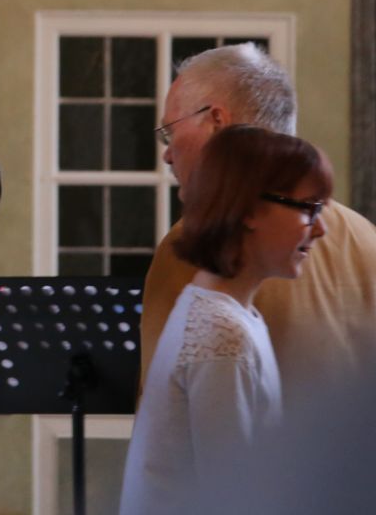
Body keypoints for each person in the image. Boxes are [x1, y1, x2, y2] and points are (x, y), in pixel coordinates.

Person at [143, 43, 376, 405]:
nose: (167, 152)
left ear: (217, 121)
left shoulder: (200, 243)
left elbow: (163, 405)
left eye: (170, 131)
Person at [120, 125, 331, 515]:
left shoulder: (230, 314)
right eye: (308, 207)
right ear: (248, 209)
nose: (320, 228)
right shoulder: (221, 335)